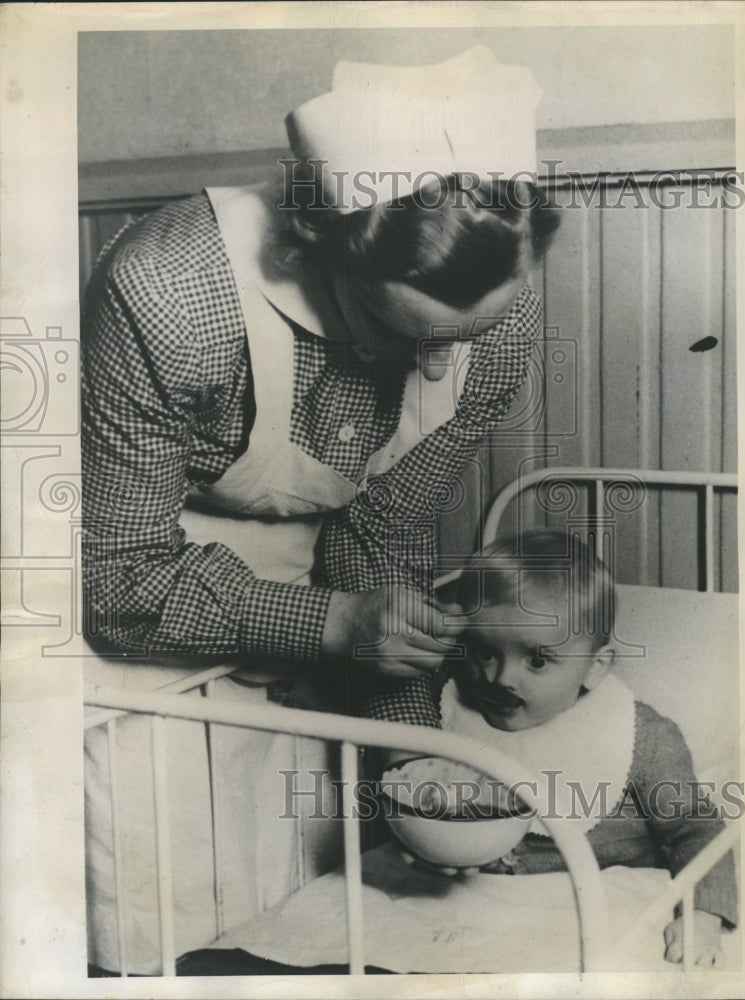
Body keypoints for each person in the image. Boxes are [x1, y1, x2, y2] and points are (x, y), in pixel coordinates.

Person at [81, 46, 560, 973]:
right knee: (156, 915)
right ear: (312, 243)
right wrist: (334, 625)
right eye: (397, 331)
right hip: (130, 620)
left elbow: (379, 532)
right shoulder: (175, 291)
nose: (431, 368)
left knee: (290, 901)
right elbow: (113, 578)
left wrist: (415, 751)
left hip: (314, 619)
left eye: (458, 341)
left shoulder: (497, 317)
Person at [365, 530, 738, 968]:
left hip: (593, 899)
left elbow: (696, 831)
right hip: (471, 906)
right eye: (484, 652)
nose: (500, 678)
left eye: (538, 660)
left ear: (594, 668)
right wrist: (422, 842)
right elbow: (410, 795)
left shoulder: (642, 736)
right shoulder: (439, 711)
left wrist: (702, 915)